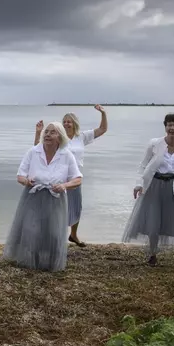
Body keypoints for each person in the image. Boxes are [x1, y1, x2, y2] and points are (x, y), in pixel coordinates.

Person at [122, 113, 174, 266]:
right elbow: (143, 165)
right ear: (165, 127)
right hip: (154, 186)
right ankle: (152, 254)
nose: (172, 128)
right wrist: (139, 184)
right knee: (153, 223)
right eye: (169, 125)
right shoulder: (154, 144)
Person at [4, 122, 82, 272]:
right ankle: (31, 261)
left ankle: (51, 262)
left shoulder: (66, 155)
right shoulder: (33, 152)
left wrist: (64, 186)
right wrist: (26, 181)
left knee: (53, 232)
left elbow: (78, 179)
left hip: (56, 198)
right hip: (33, 197)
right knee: (32, 230)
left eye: (52, 132)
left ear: (60, 137)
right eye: (46, 132)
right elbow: (20, 175)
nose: (47, 135)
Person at [34, 105, 108, 247]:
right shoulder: (59, 138)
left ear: (75, 123)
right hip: (59, 178)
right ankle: (56, 236)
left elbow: (102, 129)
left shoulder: (82, 137)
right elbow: (38, 148)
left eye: (69, 121)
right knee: (58, 208)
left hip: (75, 177)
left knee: (76, 206)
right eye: (65, 121)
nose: (67, 123)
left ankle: (73, 235)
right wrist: (38, 133)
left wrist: (103, 113)